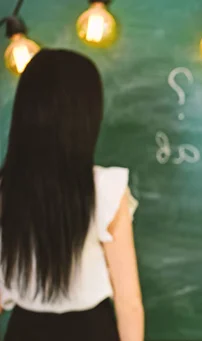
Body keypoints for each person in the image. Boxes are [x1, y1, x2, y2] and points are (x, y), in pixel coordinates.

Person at [0, 49, 144, 341]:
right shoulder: (105, 188)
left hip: (24, 331)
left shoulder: (5, 188)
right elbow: (128, 303)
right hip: (92, 331)